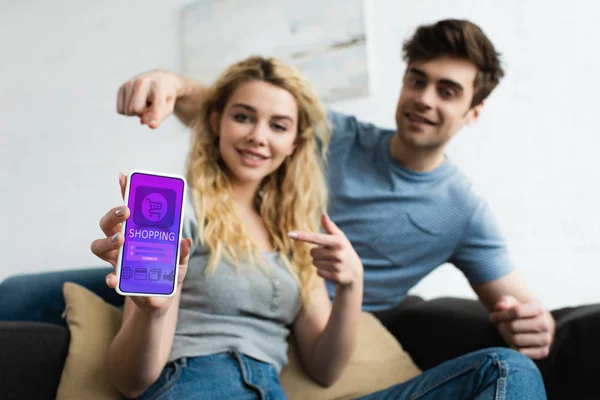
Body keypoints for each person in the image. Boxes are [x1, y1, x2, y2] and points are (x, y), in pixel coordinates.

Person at [0, 18, 561, 397]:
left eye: (448, 90)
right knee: (16, 296)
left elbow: (522, 310)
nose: (424, 99)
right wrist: (169, 82)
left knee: (505, 368)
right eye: (418, 80)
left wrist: (355, 282)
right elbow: (234, 98)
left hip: (276, 361)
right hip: (199, 361)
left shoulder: (310, 231)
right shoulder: (321, 141)